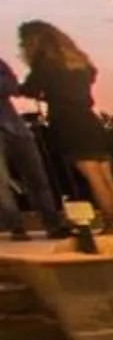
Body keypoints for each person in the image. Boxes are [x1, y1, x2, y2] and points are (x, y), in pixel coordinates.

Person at [14, 23, 113, 252]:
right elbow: (87, 81)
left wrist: (48, 95)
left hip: (68, 122)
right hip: (89, 118)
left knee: (93, 177)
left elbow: (28, 89)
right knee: (106, 175)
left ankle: (110, 224)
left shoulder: (45, 64)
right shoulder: (80, 63)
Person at [0, 57, 59, 239]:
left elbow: (12, 87)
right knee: (1, 184)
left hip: (15, 127)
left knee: (37, 178)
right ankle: (16, 227)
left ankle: (53, 224)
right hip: (12, 126)